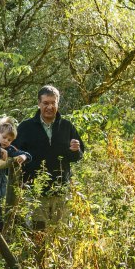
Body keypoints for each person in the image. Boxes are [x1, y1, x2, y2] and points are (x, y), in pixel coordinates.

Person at [16, 86, 83, 227]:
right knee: (37, 234)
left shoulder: (67, 127)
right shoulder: (25, 127)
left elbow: (77, 156)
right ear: (39, 104)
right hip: (35, 191)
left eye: (53, 103)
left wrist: (75, 150)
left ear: (58, 103)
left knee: (61, 233)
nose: (50, 107)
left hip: (61, 191)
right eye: (46, 103)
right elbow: (14, 153)